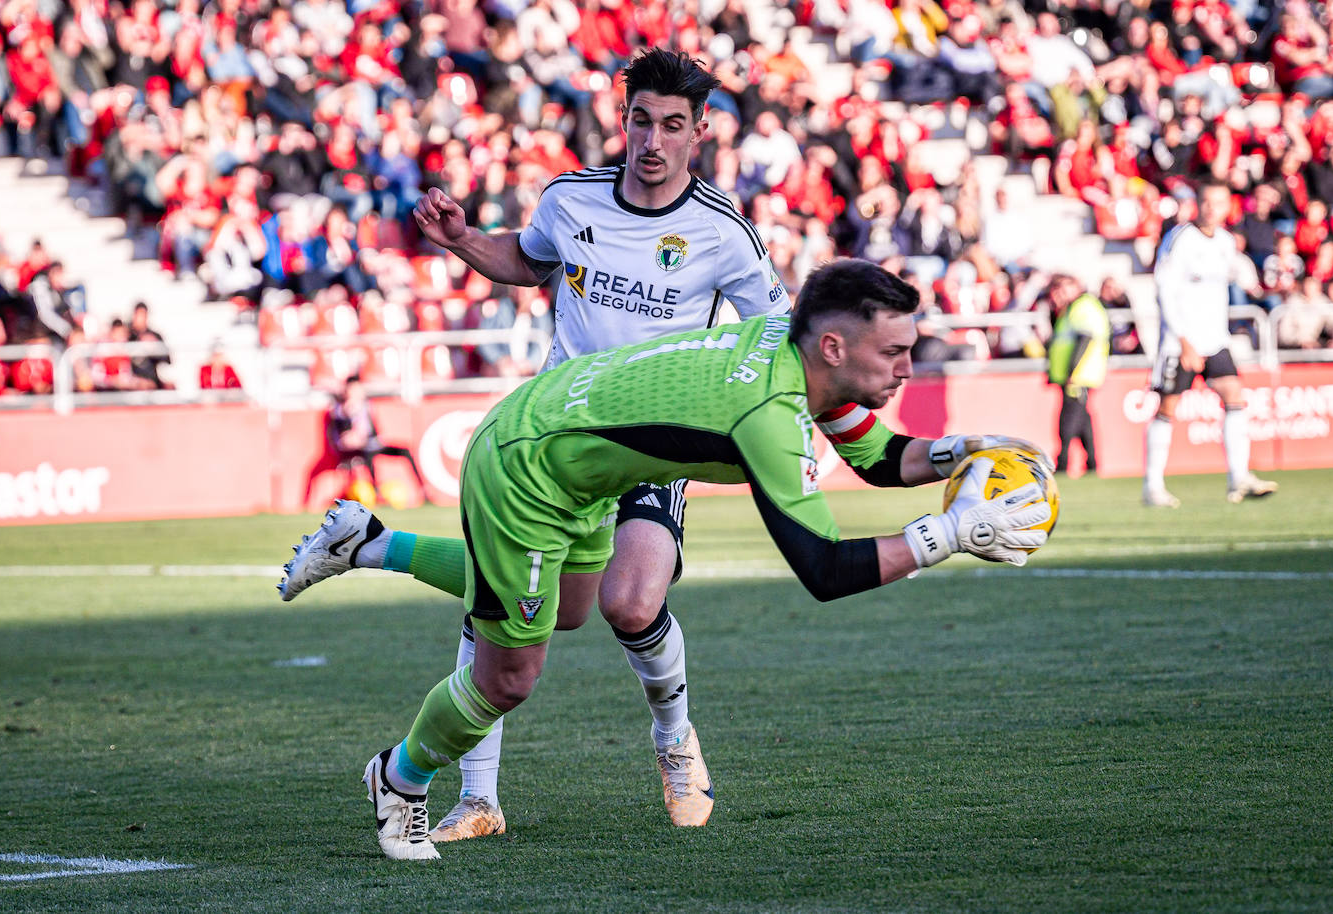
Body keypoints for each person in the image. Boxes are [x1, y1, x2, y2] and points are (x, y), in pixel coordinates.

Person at [362, 259, 1054, 860]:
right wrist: (950, 535)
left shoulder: (794, 348)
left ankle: (374, 544)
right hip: (527, 466)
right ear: (836, 347)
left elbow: (874, 456)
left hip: (574, 450)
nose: (908, 366)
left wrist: (958, 450)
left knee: (574, 607)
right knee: (510, 678)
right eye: (895, 351)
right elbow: (825, 570)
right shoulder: (771, 410)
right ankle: (400, 777)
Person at [280, 49, 794, 841]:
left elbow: (773, 330)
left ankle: (674, 742)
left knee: (626, 602)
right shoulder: (571, 198)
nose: (653, 141)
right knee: (545, 613)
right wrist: (463, 240)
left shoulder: (722, 231)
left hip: (652, 445)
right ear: (622, 121)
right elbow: (528, 259)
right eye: (641, 121)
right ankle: (476, 797)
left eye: (672, 126)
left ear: (699, 133)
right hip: (555, 435)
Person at [1144, 181, 1277, 507]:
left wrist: (1261, 287)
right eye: (1205, 201)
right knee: (1167, 407)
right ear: (1197, 204)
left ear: (1226, 206)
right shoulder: (1180, 239)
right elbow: (1164, 291)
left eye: (1217, 202)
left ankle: (1239, 477)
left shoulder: (1225, 241)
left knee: (1234, 394)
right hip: (1179, 341)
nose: (1210, 208)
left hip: (1214, 338)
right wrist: (1183, 341)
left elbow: (1238, 271)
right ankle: (1153, 486)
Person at [1045, 275, 1110, 475]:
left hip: (1079, 374)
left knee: (1068, 420)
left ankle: (1063, 463)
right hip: (1077, 374)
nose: (1059, 294)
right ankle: (1091, 463)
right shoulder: (1071, 308)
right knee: (1082, 420)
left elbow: (1085, 338)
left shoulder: (1083, 306)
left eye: (1063, 288)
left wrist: (1072, 371)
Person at [327, 376, 429, 501]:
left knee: (404, 451)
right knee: (369, 454)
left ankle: (423, 490)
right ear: (347, 390)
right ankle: (375, 492)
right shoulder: (340, 410)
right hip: (357, 449)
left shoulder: (366, 405)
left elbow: (370, 431)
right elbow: (338, 438)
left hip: (372, 444)